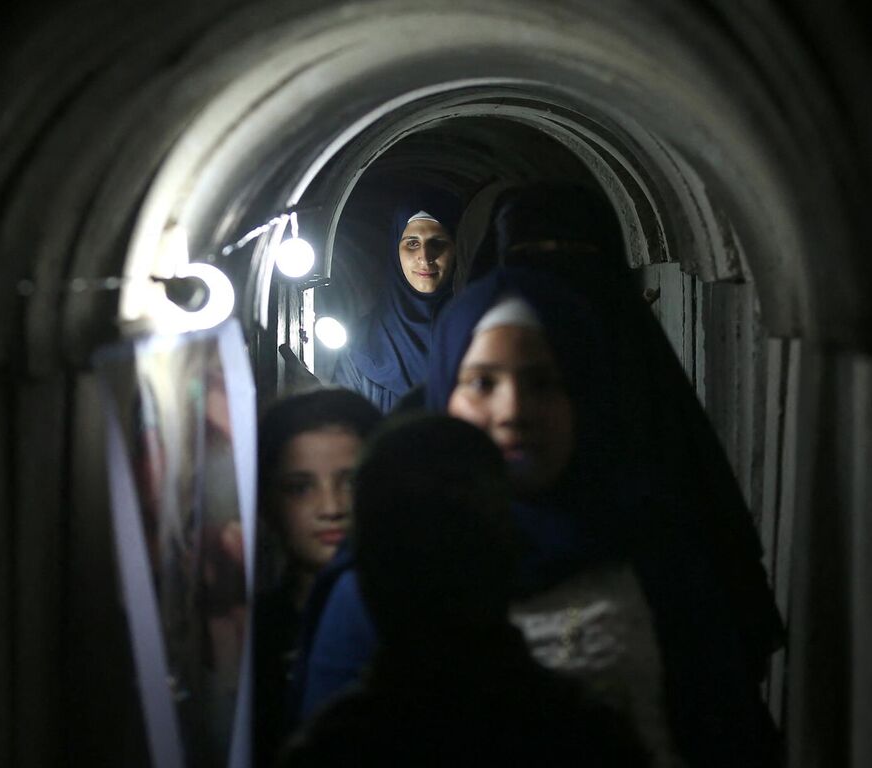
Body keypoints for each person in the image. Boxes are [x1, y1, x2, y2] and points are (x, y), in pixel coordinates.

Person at [296, 262, 784, 766]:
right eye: (482, 382)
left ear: (584, 397)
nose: (513, 410)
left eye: (543, 383)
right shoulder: (382, 583)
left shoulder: (662, 562)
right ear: (443, 393)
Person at [279, 414, 648, 768]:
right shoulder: (590, 739)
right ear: (508, 553)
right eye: (405, 549)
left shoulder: (334, 751)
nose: (430, 570)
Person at [251, 388, 382, 767]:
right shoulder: (248, 637)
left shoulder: (415, 629)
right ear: (266, 504)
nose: (331, 507)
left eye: (352, 482)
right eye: (300, 488)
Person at [329, 190, 463, 411]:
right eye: (412, 243)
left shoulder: (480, 333)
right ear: (395, 250)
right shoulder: (363, 343)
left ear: (457, 248)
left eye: (437, 242)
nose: (425, 256)